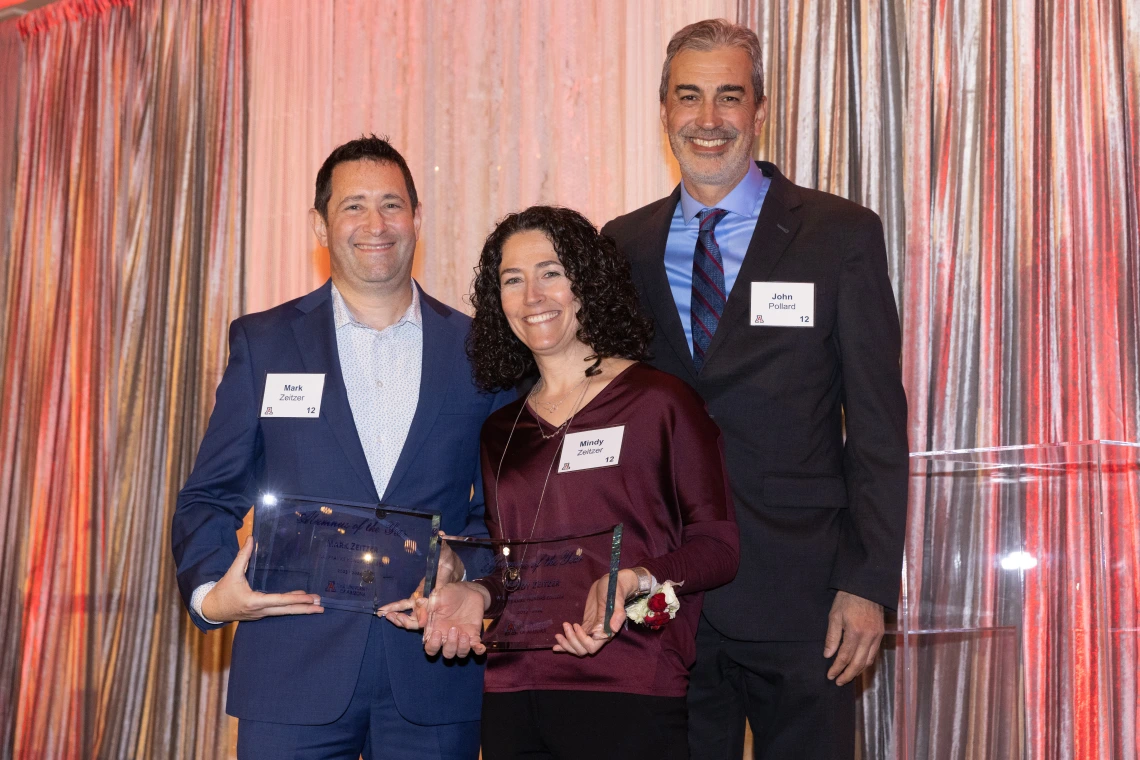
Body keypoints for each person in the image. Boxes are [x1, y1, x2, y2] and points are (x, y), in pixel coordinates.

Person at [600, 19, 910, 760]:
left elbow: (877, 428)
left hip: (806, 605)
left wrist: (869, 585)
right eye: (689, 97)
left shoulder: (840, 235)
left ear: (761, 111)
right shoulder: (622, 245)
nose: (708, 121)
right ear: (664, 112)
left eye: (729, 97)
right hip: (664, 604)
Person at [171, 135, 510, 760]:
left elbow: (504, 511)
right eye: (353, 206)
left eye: (391, 204)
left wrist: (468, 573)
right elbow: (208, 497)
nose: (375, 224)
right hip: (289, 671)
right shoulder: (264, 343)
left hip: (434, 672)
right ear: (320, 225)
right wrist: (213, 595)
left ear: (417, 218)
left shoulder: (479, 351)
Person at [381, 205, 740, 760]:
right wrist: (473, 593)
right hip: (512, 695)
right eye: (512, 280)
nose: (533, 297)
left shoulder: (661, 403)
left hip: (630, 689)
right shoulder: (501, 431)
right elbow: (516, 572)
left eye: (551, 272)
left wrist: (637, 581)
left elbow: (718, 549)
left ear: (585, 283)